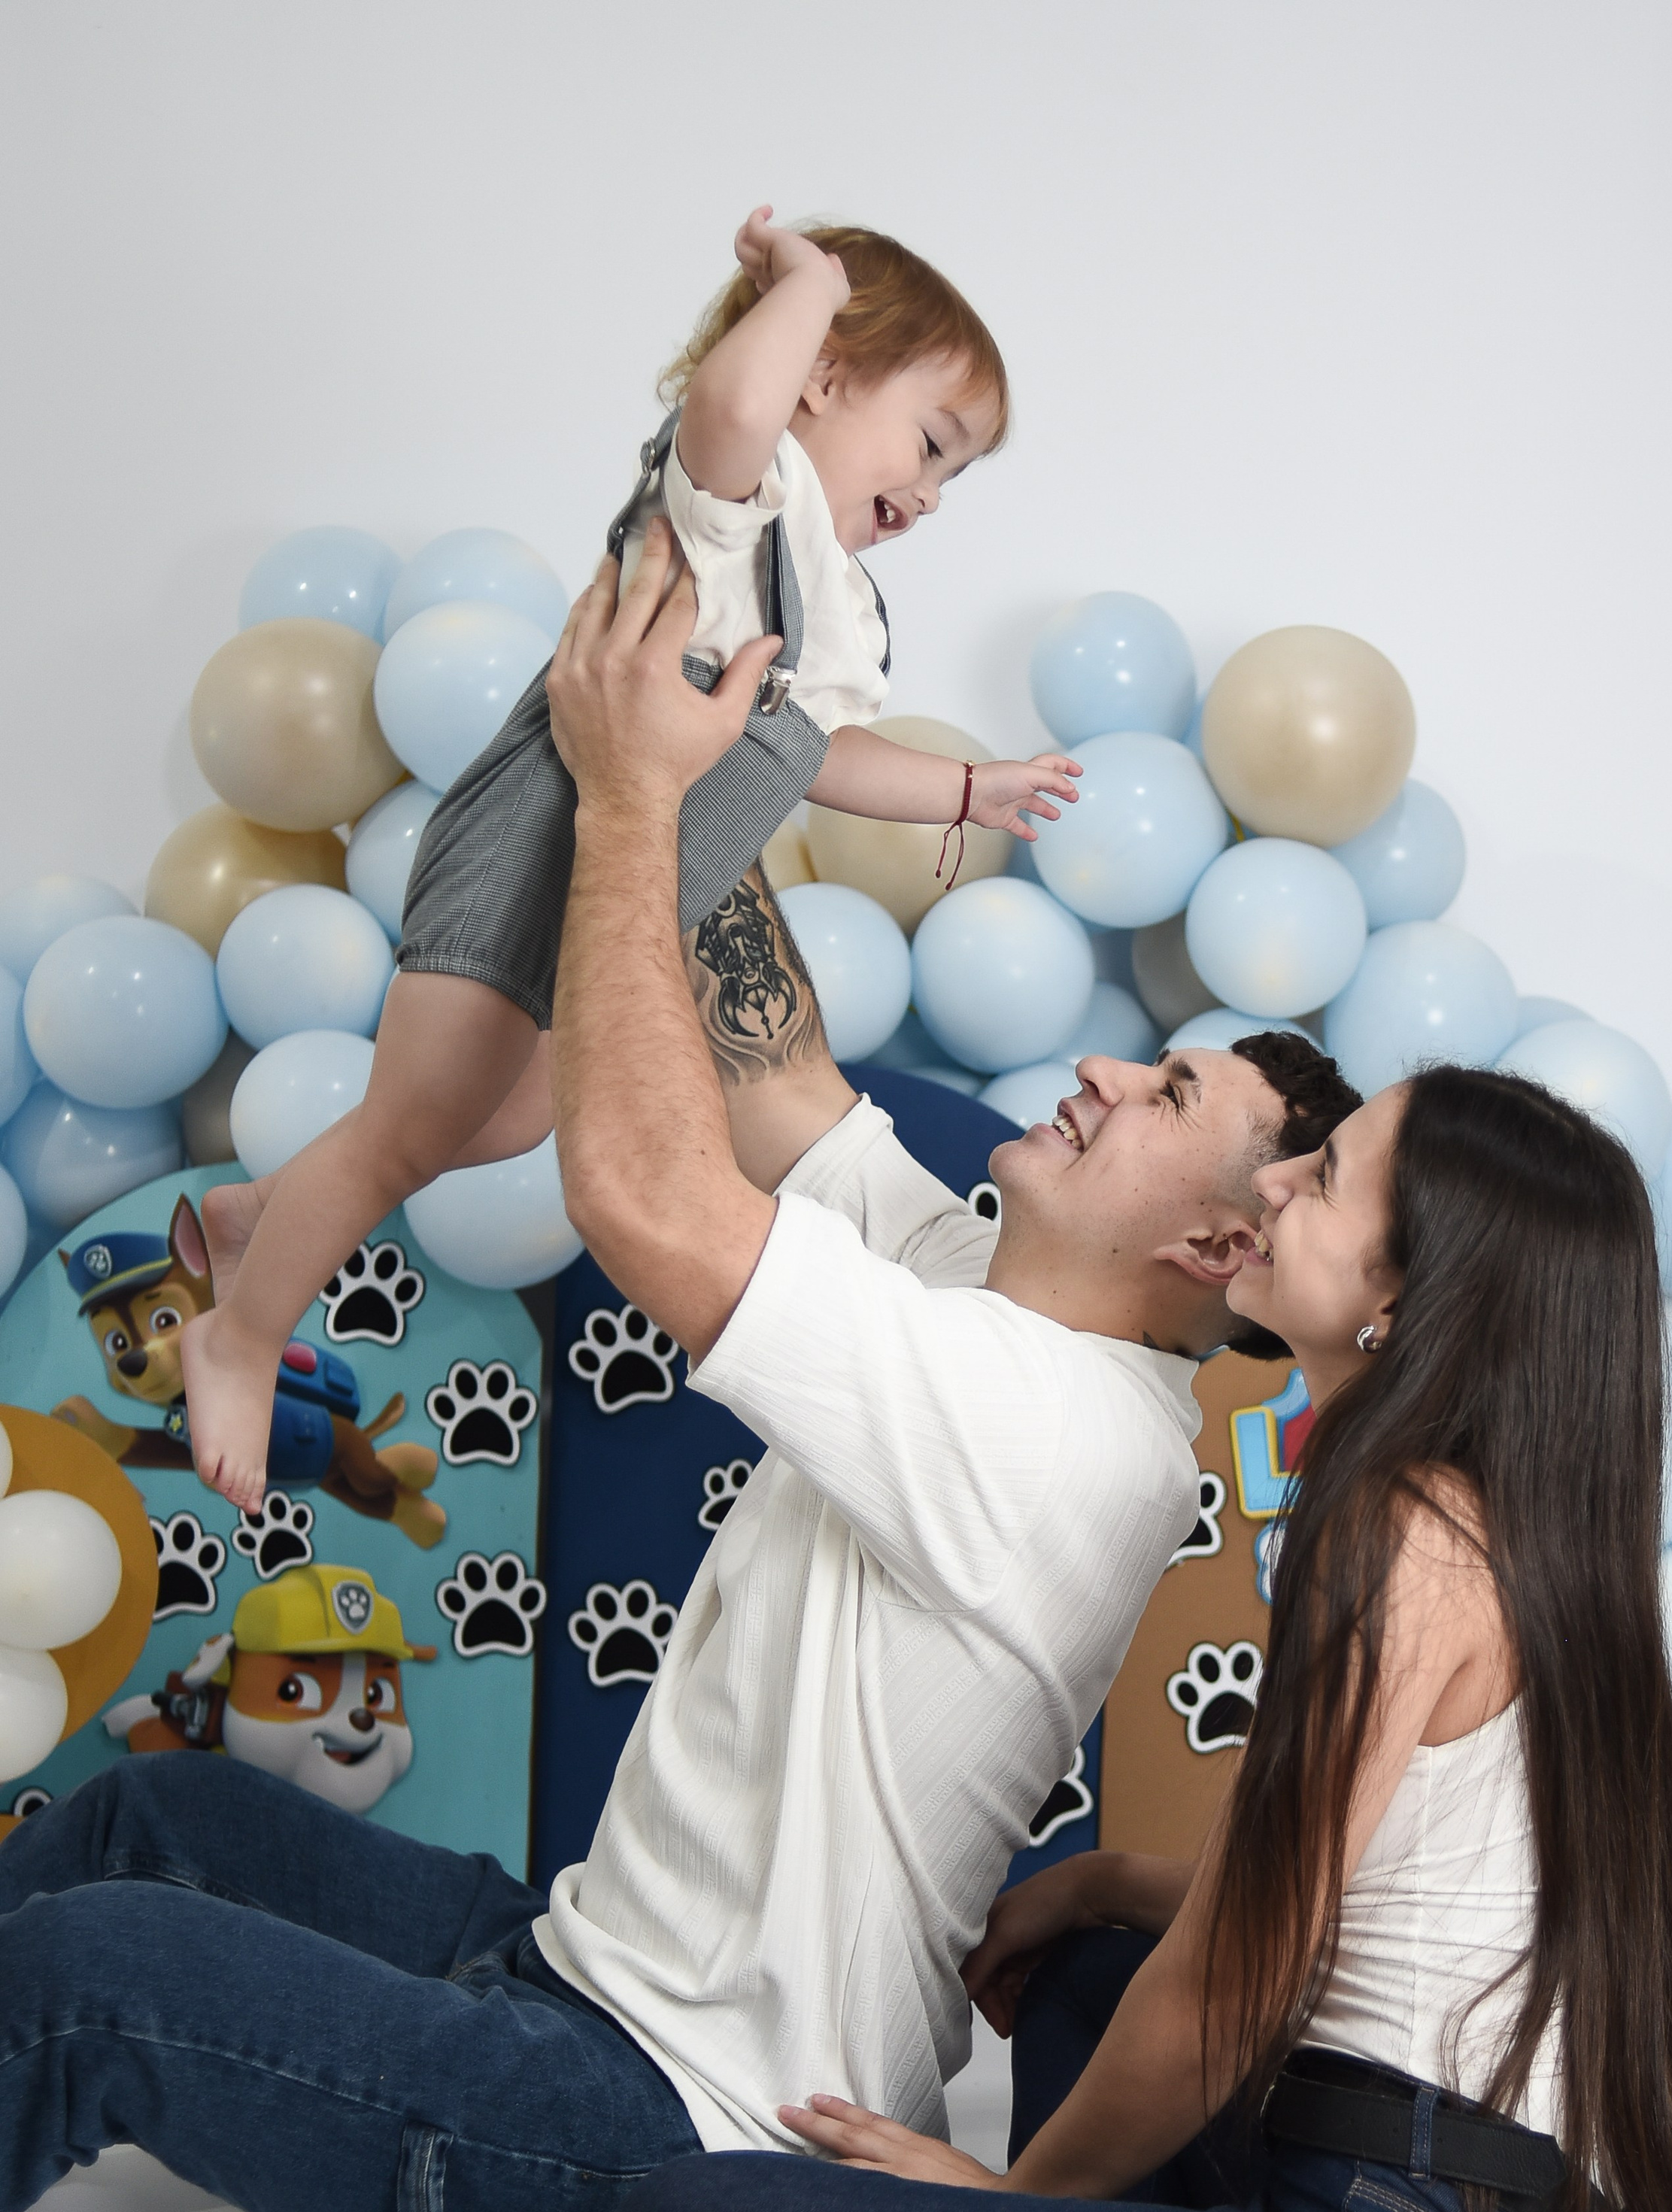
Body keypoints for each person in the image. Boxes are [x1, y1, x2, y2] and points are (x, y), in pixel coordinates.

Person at [0, 530, 1356, 2212]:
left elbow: (644, 1188)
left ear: (1211, 1250)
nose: (1111, 1072)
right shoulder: (977, 1277)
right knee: (151, 1815)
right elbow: (775, 1064)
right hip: (574, 1969)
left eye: (1168, 1095)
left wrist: (633, 797)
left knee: (93, 1980)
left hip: (655, 2135)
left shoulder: (1060, 1432)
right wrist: (697, 668)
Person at [600, 1060, 1672, 2212]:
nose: (1275, 1180)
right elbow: (1369, 1887)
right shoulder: (1510, 1516)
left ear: (1406, 1296)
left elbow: (1232, 1984)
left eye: (1323, 1184)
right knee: (1086, 1970)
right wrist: (1104, 1880)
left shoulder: (1392, 1530)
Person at [181, 207, 1082, 1513]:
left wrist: (965, 786)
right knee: (404, 1134)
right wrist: (812, 285)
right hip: (541, 847)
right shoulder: (740, 499)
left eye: (959, 476)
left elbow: (816, 752)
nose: (932, 493)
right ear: (820, 374)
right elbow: (729, 400)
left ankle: (260, 1218)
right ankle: (240, 1336)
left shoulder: (838, 602)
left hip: (624, 905)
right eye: (930, 442)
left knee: (508, 1116)